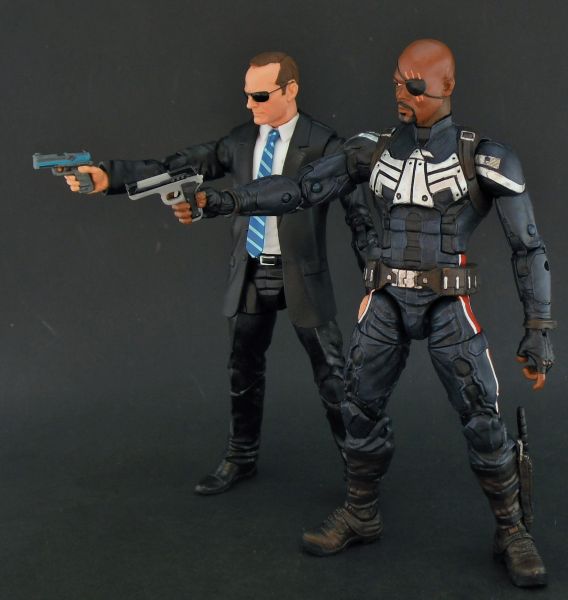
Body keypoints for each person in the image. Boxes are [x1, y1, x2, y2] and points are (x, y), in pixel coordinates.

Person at [189, 40, 555, 588]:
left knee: (482, 415)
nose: (403, 92)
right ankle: (361, 512)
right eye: (398, 81)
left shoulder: (484, 157)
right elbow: (300, 188)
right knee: (357, 406)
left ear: (447, 86)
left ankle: (512, 530)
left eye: (416, 84)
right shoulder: (370, 150)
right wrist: (228, 201)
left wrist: (539, 328)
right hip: (385, 299)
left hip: (447, 302)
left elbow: (528, 248)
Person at [64, 51, 378, 495]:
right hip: (250, 270)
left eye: (261, 96)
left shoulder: (325, 144)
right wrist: (107, 176)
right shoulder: (240, 141)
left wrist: (374, 281)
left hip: (302, 274)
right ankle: (241, 455)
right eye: (247, 95)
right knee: (242, 370)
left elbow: (359, 217)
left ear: (290, 90)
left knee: (333, 376)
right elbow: (179, 164)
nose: (250, 105)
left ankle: (358, 471)